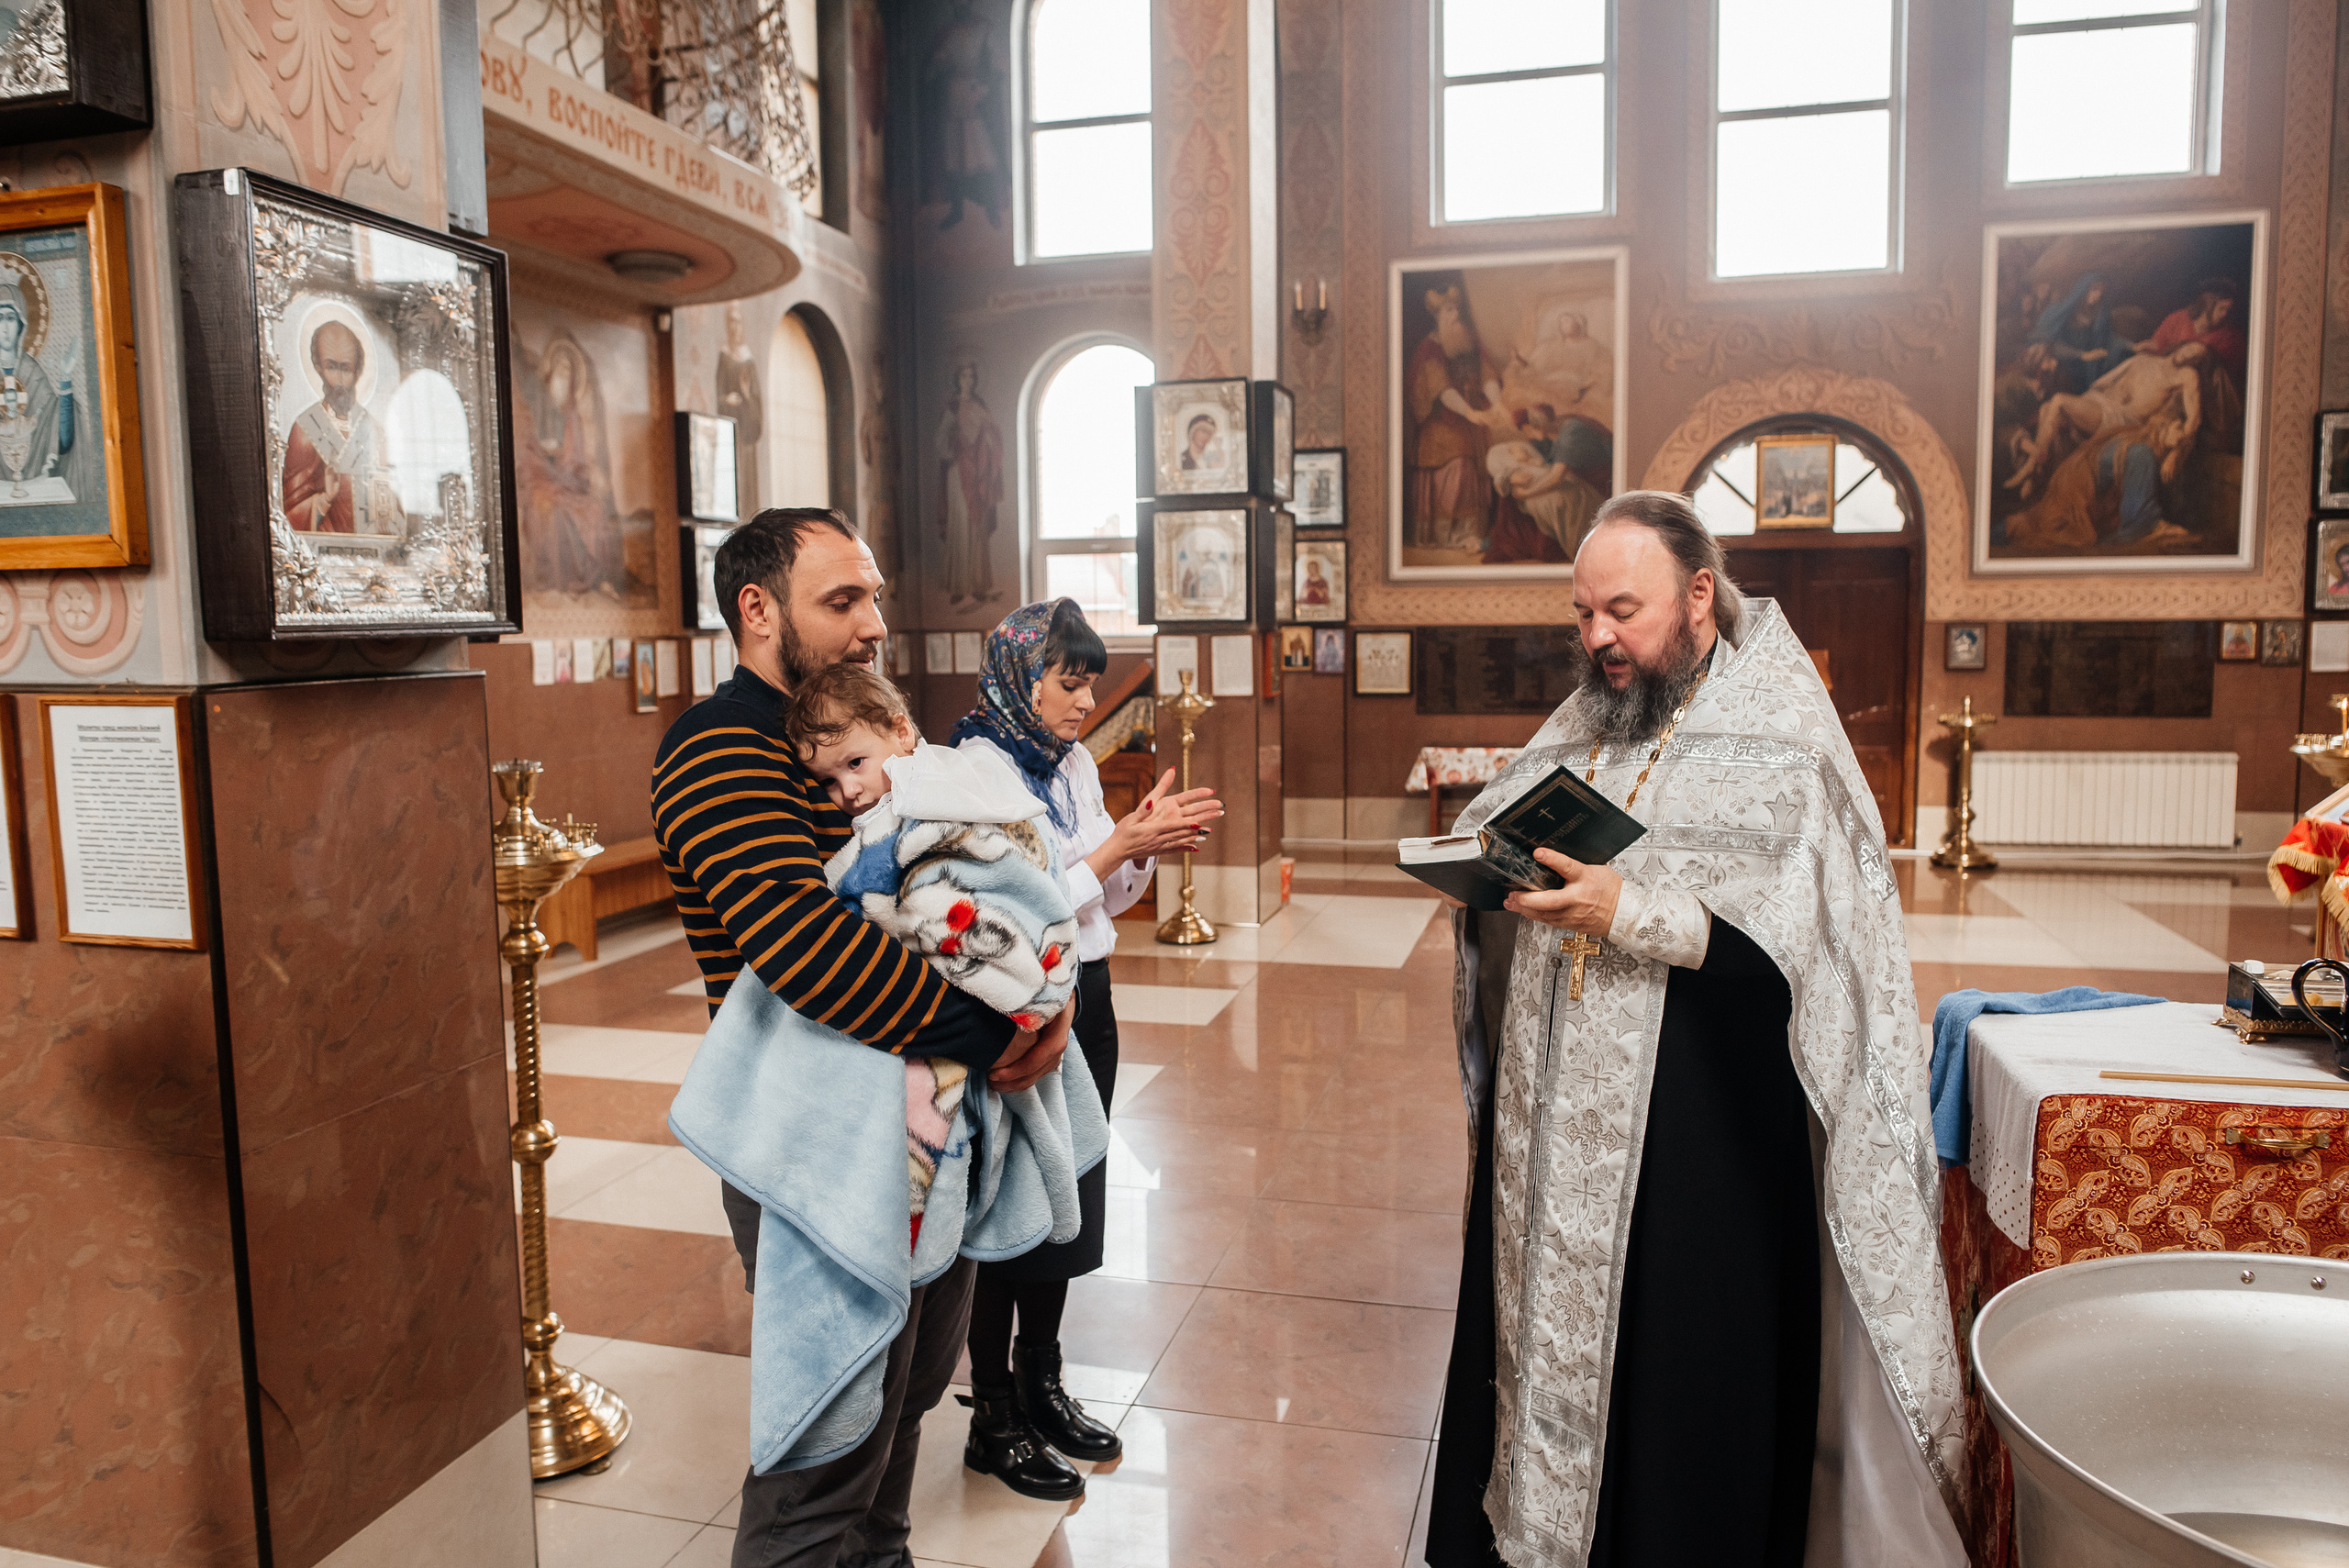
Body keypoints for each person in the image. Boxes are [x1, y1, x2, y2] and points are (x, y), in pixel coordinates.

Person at [1425, 492, 1965, 1568]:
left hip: (1704, 1133)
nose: (1598, 637)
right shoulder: (1590, 717)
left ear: (1699, 593)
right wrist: (1479, 872)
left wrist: (1629, 911)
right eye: (1583, 614)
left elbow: (1809, 953)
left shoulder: (1785, 737)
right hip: (1556, 1133)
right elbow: (1501, 826)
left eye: (1622, 610)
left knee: (1680, 1374)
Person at [651, 507, 1074, 1568]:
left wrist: (1041, 990)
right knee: (823, 1456)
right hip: (823, 1140)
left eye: (873, 596)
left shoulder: (857, 729)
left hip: (928, 1116)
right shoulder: (721, 745)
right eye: (842, 600)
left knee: (899, 1422)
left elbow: (963, 878)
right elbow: (808, 946)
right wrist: (1001, 1025)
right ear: (758, 609)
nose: (874, 622)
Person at [948, 599, 1221, 1498]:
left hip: (1086, 992)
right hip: (1016, 1003)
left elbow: (1106, 894)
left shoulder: (1071, 761)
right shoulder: (977, 769)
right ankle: (992, 1413)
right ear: (1020, 678)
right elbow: (1011, 908)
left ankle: (1042, 1379)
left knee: (1071, 1192)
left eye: (1091, 683)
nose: (1085, 700)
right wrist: (1113, 850)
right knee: (1010, 1205)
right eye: (1070, 681)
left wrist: (1141, 843)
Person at [284, 319, 400, 536]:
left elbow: (396, 510)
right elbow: (287, 515)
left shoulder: (376, 432)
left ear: (358, 370)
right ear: (318, 367)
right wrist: (325, 499)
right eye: (331, 367)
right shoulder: (304, 430)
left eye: (345, 369)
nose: (338, 380)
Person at [936, 361, 1002, 606]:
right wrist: (956, 446)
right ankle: (958, 585)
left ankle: (978, 585)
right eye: (964, 376)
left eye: (972, 377)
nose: (969, 381)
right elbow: (942, 441)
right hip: (959, 473)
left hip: (979, 474)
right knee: (960, 527)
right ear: (958, 380)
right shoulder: (953, 407)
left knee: (977, 529)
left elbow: (993, 436)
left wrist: (986, 446)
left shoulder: (981, 407)